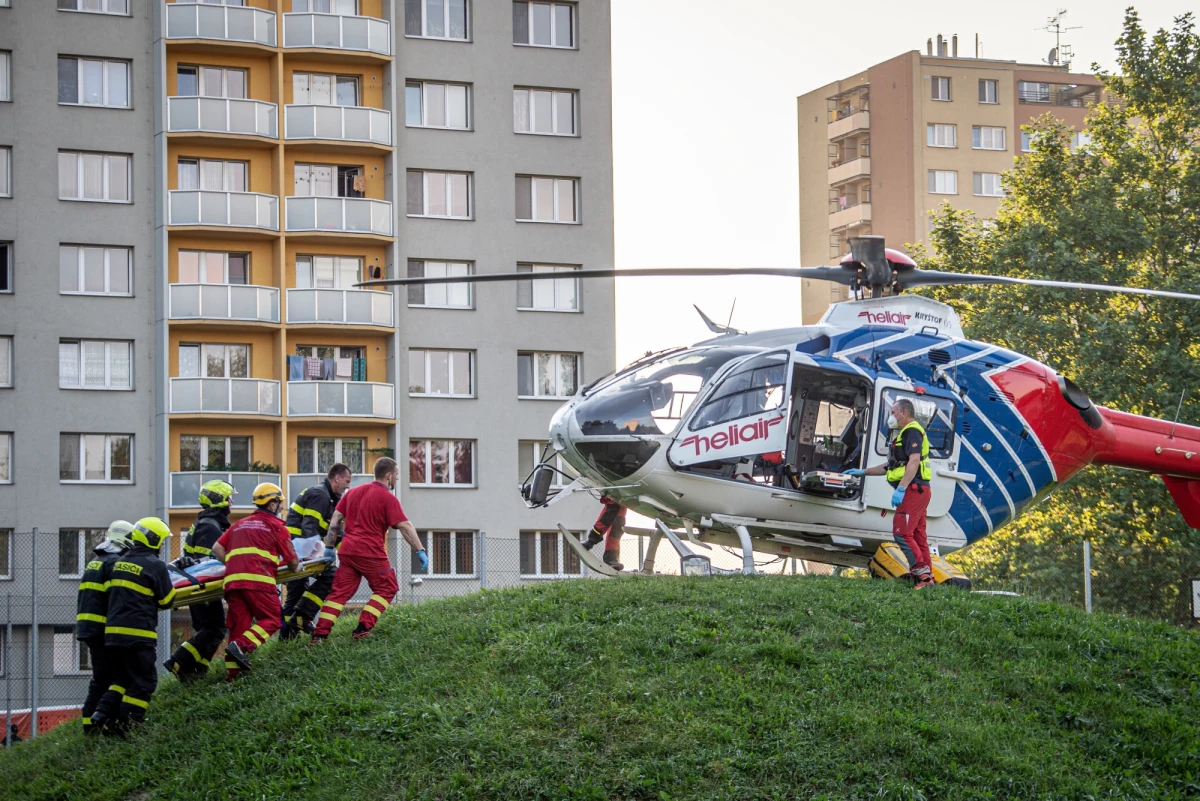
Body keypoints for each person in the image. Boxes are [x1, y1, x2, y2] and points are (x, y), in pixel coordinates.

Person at [310, 458, 426, 644]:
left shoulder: (352, 493)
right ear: (388, 476)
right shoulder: (388, 498)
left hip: (347, 551)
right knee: (387, 587)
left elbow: (336, 518)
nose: (397, 478)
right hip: (370, 552)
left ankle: (319, 636)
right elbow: (405, 526)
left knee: (338, 594)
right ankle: (362, 629)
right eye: (396, 475)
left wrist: (330, 547)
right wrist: (419, 550)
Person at [91, 518, 176, 735]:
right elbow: (167, 601)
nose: (163, 546)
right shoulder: (155, 565)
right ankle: (130, 723)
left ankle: (101, 713)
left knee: (122, 678)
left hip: (112, 635)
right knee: (144, 681)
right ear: (153, 539)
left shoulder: (119, 562)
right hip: (138, 634)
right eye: (162, 541)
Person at [845, 398, 934, 589]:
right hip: (918, 490)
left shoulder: (911, 431)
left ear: (904, 413)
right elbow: (891, 466)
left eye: (893, 412)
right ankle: (927, 577)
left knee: (902, 533)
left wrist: (901, 488)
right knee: (918, 535)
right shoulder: (903, 434)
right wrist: (863, 472)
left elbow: (914, 461)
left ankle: (924, 577)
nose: (890, 416)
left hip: (913, 489)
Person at [213, 482, 299, 679]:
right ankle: (242, 646)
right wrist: (298, 565)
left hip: (233, 583)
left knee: (239, 626)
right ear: (271, 504)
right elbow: (293, 562)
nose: (280, 507)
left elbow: (217, 548)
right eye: (279, 503)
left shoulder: (238, 524)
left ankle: (233, 675)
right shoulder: (277, 527)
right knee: (273, 619)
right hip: (259, 581)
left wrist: (235, 563)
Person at [163, 480, 234, 680]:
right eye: (229, 498)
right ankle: (179, 661)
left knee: (213, 630)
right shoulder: (209, 527)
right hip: (202, 587)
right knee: (214, 628)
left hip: (200, 586)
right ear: (219, 500)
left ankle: (196, 670)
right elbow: (209, 563)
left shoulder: (206, 523)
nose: (231, 502)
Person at [280, 464, 352, 640]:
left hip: (300, 547)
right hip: (298, 547)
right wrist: (320, 554)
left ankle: (287, 638)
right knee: (331, 576)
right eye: (347, 481)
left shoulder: (331, 500)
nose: (348, 486)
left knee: (296, 592)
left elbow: (336, 534)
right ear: (337, 478)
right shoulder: (320, 495)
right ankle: (302, 616)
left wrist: (348, 558)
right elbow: (309, 528)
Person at [76, 520, 134, 735]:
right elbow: (116, 599)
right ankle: (103, 720)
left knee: (100, 679)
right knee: (118, 676)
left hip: (90, 628)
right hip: (104, 630)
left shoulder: (96, 561)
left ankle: (90, 726)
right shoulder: (113, 563)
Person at [579, 496, 626, 570]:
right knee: (607, 518)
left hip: (623, 498)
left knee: (617, 527)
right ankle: (591, 542)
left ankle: (612, 558)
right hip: (615, 495)